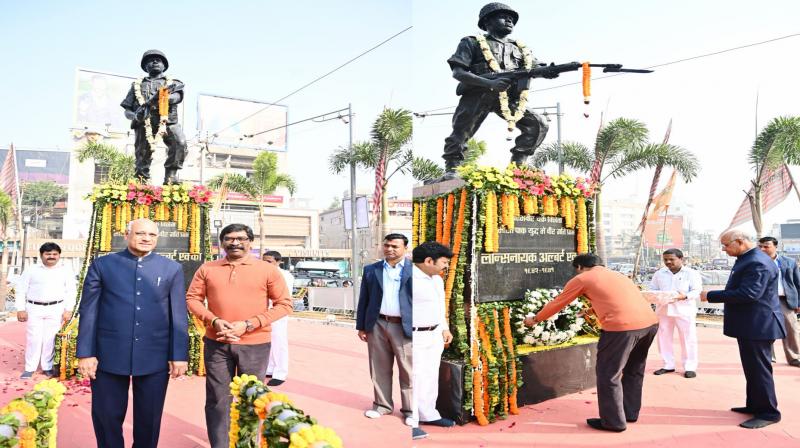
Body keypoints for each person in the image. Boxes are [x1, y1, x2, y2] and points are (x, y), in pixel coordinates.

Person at [76, 218, 189, 448]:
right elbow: (89, 311)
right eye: (140, 233)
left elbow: (178, 314)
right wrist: (86, 354)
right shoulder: (103, 265)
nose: (146, 238)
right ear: (127, 234)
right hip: (108, 354)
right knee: (106, 417)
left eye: (152, 235)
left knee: (149, 419)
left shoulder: (171, 269)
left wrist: (179, 355)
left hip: (154, 355)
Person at [524, 254, 658, 432]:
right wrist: (591, 309)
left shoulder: (582, 278)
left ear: (579, 266)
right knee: (634, 370)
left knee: (608, 374)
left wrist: (535, 319)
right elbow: (618, 299)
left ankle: (613, 422)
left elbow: (558, 303)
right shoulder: (618, 275)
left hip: (622, 329)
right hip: (649, 324)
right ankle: (629, 413)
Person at [186, 224, 292, 448]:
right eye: (229, 238)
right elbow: (192, 299)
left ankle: (247, 444)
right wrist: (213, 320)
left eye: (241, 238)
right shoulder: (207, 268)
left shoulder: (267, 270)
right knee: (217, 398)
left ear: (250, 242)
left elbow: (284, 305)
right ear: (222, 242)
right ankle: (220, 444)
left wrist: (248, 324)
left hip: (255, 344)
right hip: (217, 342)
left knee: (251, 398)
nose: (235, 242)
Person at [441, 2, 549, 178]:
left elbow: (536, 68)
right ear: (487, 22)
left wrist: (550, 71)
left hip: (506, 97)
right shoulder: (472, 42)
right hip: (478, 93)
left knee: (538, 123)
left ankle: (518, 165)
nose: (509, 20)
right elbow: (458, 72)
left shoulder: (520, 49)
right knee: (462, 130)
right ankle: (452, 167)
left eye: (512, 18)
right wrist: (489, 83)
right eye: (503, 16)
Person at [701, 230, 785, 429]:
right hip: (751, 324)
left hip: (759, 325)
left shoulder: (757, 261)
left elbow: (749, 294)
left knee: (760, 370)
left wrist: (711, 295)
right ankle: (755, 404)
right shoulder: (747, 258)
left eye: (725, 245)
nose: (723, 249)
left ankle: (769, 412)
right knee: (752, 368)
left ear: (739, 242)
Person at [356, 233, 413, 424]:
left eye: (395, 246)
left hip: (404, 326)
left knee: (408, 370)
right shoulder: (372, 270)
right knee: (379, 368)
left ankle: (411, 410)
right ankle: (382, 405)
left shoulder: (415, 270)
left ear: (405, 248)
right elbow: (364, 299)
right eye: (387, 245)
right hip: (377, 324)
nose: (389, 249)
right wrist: (362, 326)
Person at [410, 242, 456, 441]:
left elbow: (439, 306)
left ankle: (428, 414)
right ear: (429, 261)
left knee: (429, 375)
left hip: (434, 334)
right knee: (414, 378)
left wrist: (444, 328)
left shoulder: (436, 280)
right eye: (444, 262)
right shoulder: (408, 279)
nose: (446, 266)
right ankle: (412, 422)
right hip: (414, 335)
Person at [120, 49, 187, 184]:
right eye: (151, 60)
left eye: (159, 60)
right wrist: (135, 116)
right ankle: (141, 181)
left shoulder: (173, 82)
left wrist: (163, 98)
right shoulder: (136, 85)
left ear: (164, 65)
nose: (155, 61)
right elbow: (127, 109)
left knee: (179, 143)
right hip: (144, 122)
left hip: (168, 121)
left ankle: (171, 177)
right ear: (145, 66)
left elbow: (177, 96)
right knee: (142, 153)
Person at [15, 242, 76, 379]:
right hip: (34, 308)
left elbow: (71, 291)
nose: (51, 257)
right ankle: (29, 368)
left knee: (50, 338)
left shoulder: (66, 270)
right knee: (34, 339)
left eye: (55, 254)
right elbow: (21, 290)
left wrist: (68, 309)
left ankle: (47, 367)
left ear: (59, 255)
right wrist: (20, 309)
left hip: (56, 308)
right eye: (48, 254)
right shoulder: (31, 269)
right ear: (41, 255)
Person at [649, 248, 702, 378]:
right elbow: (653, 289)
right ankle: (668, 365)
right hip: (664, 310)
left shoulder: (691, 273)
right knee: (663, 338)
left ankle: (690, 367)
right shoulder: (659, 273)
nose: (668, 262)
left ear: (681, 259)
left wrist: (684, 296)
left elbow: (696, 290)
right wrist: (656, 297)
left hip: (684, 310)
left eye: (671, 259)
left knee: (688, 339)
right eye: (665, 259)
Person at [757, 237, 800, 367]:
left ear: (775, 246)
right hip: (764, 301)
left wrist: (798, 303)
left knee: (791, 329)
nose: (763, 249)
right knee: (766, 329)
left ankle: (794, 358)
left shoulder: (789, 262)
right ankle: (769, 358)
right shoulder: (757, 263)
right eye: (761, 246)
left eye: (766, 246)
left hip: (785, 301)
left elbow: (797, 284)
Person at [262, 250, 294, 386]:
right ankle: (269, 368)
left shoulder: (285, 275)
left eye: (269, 261)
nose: (265, 264)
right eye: (263, 261)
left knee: (278, 342)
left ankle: (280, 373)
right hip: (263, 312)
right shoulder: (262, 273)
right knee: (266, 341)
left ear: (278, 262)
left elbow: (282, 296)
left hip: (278, 312)